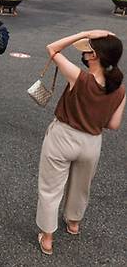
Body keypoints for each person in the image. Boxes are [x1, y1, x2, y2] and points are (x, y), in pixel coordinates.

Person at [36, 31, 125, 256]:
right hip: (91, 142)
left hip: (63, 135)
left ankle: (47, 237)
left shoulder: (80, 77)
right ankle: (73, 222)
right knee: (81, 186)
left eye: (88, 49)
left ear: (94, 55)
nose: (84, 52)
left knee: (50, 188)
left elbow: (52, 48)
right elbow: (114, 125)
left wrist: (85, 33)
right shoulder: (119, 89)